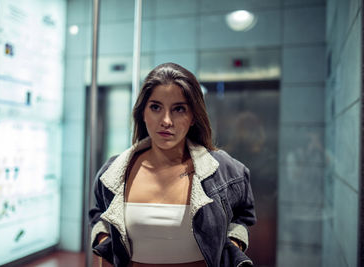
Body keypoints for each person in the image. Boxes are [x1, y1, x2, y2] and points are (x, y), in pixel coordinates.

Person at [89, 62, 256, 267]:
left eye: (178, 109)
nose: (166, 120)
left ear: (193, 116)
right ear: (143, 112)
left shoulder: (225, 172)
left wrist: (233, 243)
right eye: (156, 107)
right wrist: (104, 242)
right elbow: (98, 214)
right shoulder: (114, 172)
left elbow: (242, 216)